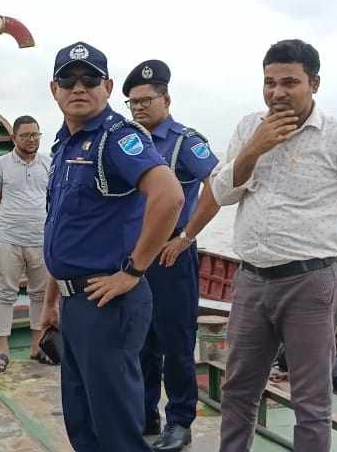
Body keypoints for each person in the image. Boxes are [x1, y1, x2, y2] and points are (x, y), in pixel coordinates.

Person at [211, 39, 337, 452]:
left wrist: (327, 232)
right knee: (239, 389)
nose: (277, 92)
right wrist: (256, 148)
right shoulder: (247, 128)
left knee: (311, 401)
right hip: (252, 282)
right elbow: (222, 193)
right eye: (269, 82)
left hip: (310, 284)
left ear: (314, 83)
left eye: (289, 82)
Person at [40, 42, 185, 452]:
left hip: (108, 302)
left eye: (90, 79)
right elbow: (61, 228)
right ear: (54, 88)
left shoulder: (116, 138)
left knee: (115, 429)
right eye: (68, 79)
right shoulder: (65, 143)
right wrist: (52, 300)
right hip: (75, 302)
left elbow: (169, 196)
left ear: (107, 85)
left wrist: (133, 271)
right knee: (83, 422)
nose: (78, 88)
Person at [122, 60, 221, 451]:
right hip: (134, 257)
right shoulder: (128, 140)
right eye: (132, 103)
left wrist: (186, 234)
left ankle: (180, 421)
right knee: (140, 340)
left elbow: (217, 184)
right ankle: (146, 412)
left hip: (171, 258)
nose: (140, 108)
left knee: (176, 341)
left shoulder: (183, 141)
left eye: (146, 100)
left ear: (166, 99)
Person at [0, 115, 53, 373]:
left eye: (35, 135)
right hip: (9, 238)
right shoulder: (1, 164)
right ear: (14, 138)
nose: (31, 140)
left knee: (40, 294)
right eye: (25, 136)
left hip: (40, 240)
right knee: (5, 293)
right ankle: (2, 350)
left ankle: (36, 346)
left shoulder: (48, 164)